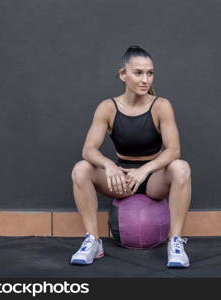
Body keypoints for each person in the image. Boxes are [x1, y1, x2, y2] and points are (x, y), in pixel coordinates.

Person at [70, 45, 192, 268]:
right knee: (81, 168)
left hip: (154, 179)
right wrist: (109, 165)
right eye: (138, 73)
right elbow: (88, 149)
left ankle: (174, 243)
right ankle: (93, 241)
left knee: (181, 167)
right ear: (122, 74)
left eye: (150, 73)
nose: (146, 79)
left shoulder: (161, 106)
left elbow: (174, 150)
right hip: (122, 179)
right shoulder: (108, 107)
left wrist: (145, 170)